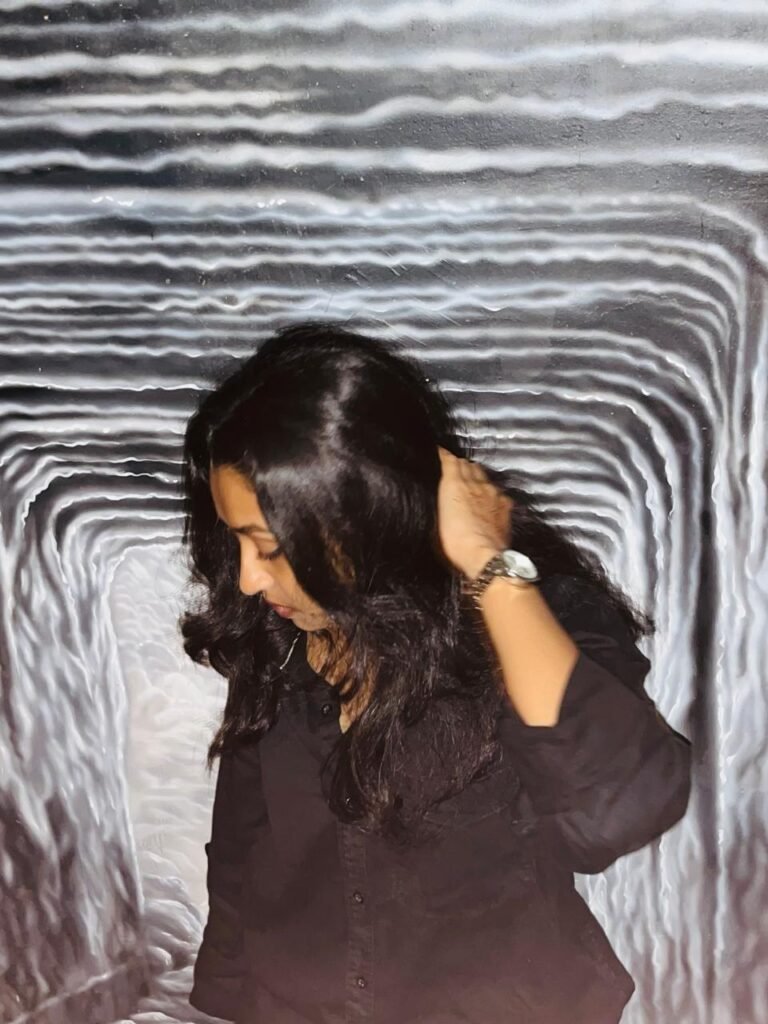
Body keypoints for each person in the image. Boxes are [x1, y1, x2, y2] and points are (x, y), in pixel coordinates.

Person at [180, 322, 691, 1024]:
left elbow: (616, 813)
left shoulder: (529, 615)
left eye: (269, 547)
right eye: (235, 540)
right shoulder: (278, 636)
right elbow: (244, 845)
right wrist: (228, 999)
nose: (245, 579)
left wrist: (488, 564)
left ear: (365, 517)